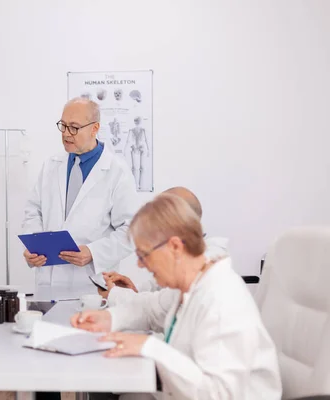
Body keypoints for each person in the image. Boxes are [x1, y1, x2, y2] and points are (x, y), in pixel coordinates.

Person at [71, 194, 281, 399]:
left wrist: (149, 347)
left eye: (144, 255)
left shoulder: (221, 301)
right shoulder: (190, 286)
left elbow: (220, 394)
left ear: (174, 247)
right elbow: (147, 308)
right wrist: (110, 318)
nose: (140, 264)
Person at [22, 97, 137, 286]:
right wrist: (33, 246)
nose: (66, 134)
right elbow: (33, 211)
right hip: (48, 281)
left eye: (74, 127)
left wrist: (93, 252)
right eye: (63, 125)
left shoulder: (118, 172)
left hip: (91, 283)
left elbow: (131, 231)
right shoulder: (52, 165)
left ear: (95, 128)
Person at [99, 186, 229, 306]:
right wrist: (133, 290)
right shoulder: (183, 263)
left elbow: (164, 304)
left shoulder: (205, 274)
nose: (140, 264)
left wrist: (117, 295)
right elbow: (159, 305)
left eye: (145, 254)